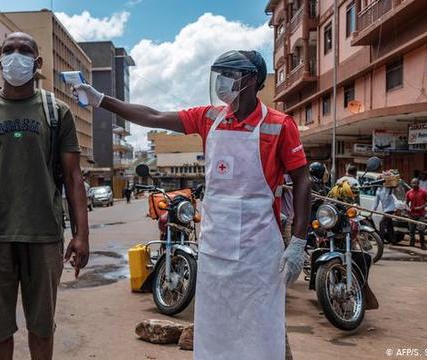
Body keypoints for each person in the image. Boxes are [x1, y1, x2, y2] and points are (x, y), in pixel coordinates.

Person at [75, 49, 311, 359]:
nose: (222, 82)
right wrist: (101, 100)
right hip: (215, 249)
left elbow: (303, 180)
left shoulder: (279, 125)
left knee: (260, 328)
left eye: (230, 74)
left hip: (258, 254)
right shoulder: (209, 117)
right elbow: (154, 116)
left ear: (251, 79)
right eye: (221, 74)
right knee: (215, 329)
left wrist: (298, 242)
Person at [0, 32, 89, 360]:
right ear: (0, 60)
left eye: (24, 50)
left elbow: (73, 176)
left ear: (37, 63)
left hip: (44, 235)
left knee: (41, 327)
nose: (15, 56)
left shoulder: (57, 112)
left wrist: (82, 235)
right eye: (8, 50)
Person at [406, 178, 427, 250]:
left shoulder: (423, 192)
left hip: (421, 214)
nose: (414, 184)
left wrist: (420, 207)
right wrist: (407, 210)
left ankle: (423, 244)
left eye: (415, 183)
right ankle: (412, 244)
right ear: (410, 184)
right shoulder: (409, 193)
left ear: (418, 184)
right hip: (411, 215)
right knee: (411, 231)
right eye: (413, 183)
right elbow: (406, 203)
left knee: (421, 230)